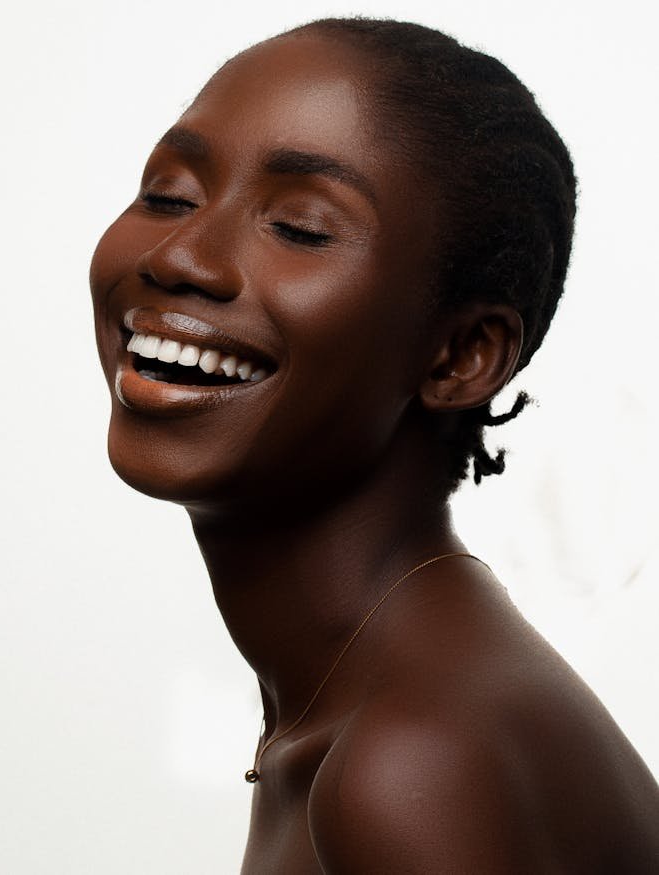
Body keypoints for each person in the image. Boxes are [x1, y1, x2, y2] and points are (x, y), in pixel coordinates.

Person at [90, 17, 659, 873]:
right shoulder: (375, 697)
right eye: (171, 194)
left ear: (463, 355)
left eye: (303, 228)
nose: (181, 255)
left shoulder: (415, 758)